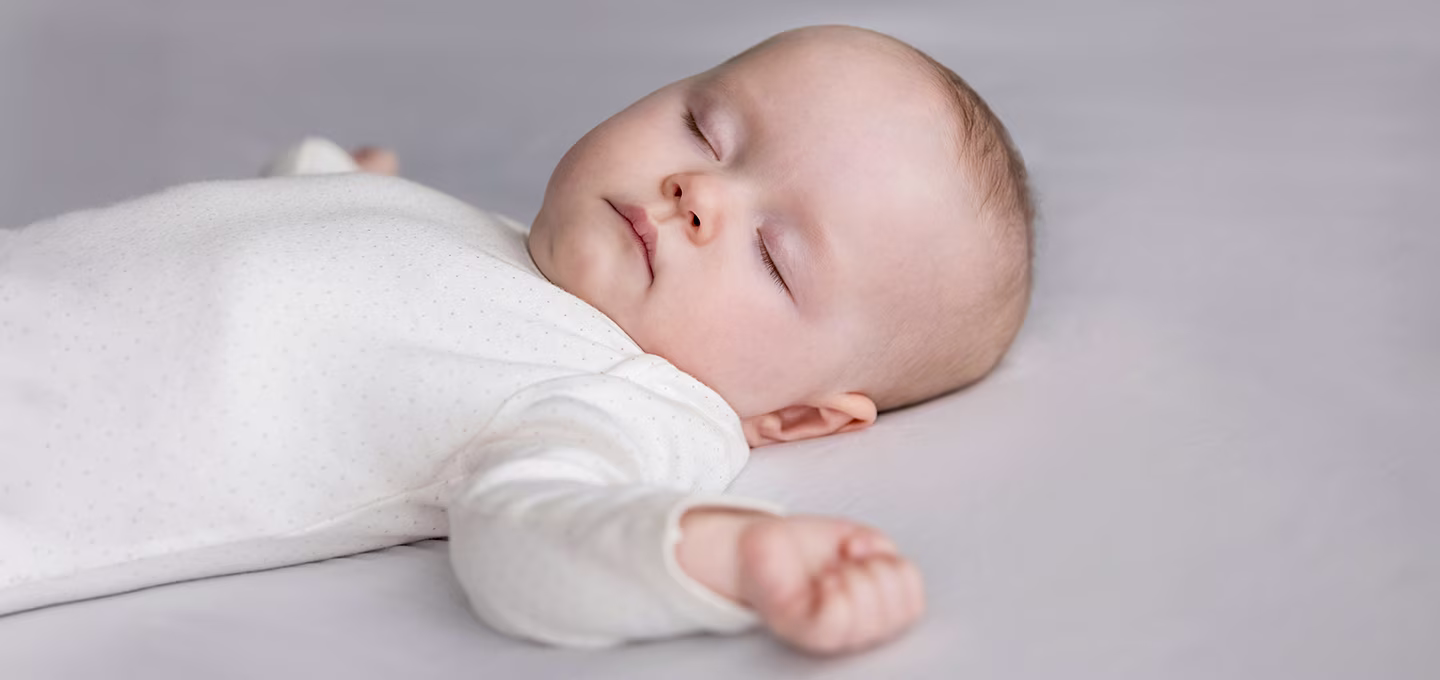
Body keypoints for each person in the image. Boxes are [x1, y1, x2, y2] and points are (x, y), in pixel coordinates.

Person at [0, 24, 1032, 656]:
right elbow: (306, 252)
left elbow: (527, 538)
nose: (701, 191)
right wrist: (340, 182)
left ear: (798, 414)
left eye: (774, 254)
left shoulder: (615, 396)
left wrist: (721, 551)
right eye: (707, 129)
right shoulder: (481, 230)